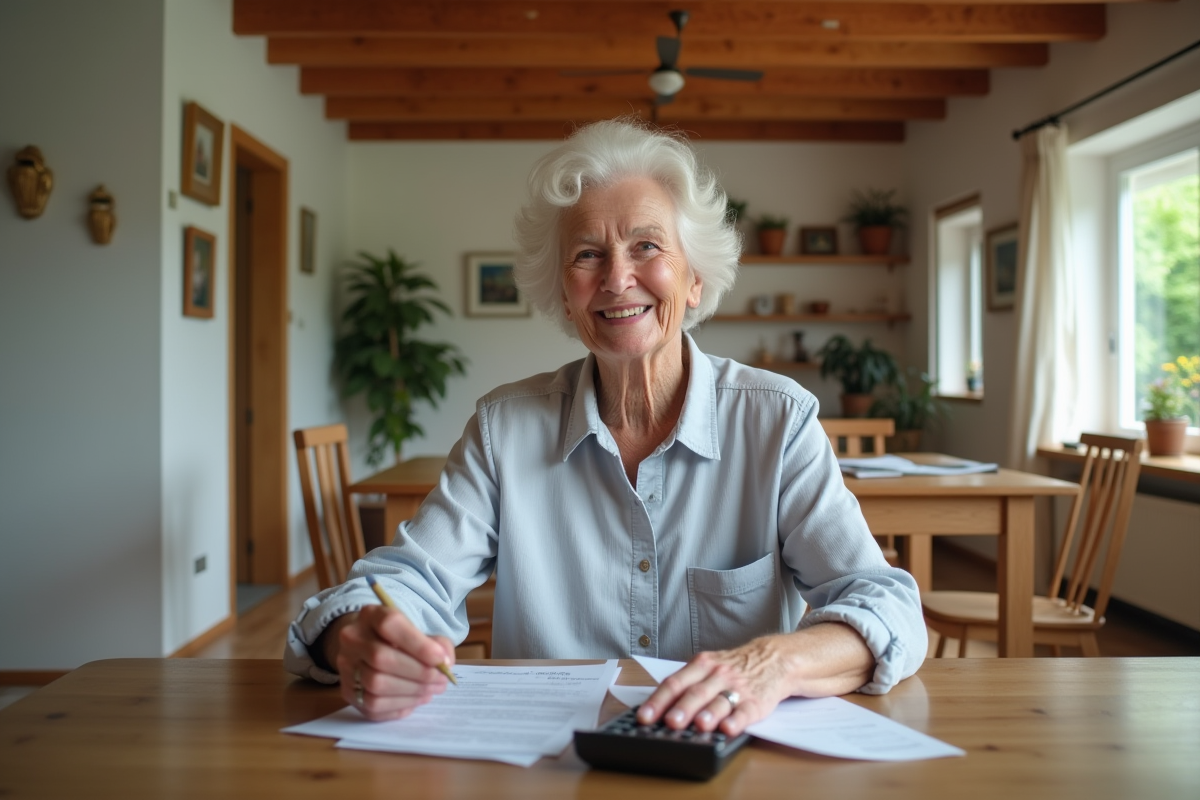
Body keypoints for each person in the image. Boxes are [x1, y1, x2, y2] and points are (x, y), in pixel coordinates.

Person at [285, 118, 926, 737]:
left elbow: (883, 602)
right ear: (564, 296)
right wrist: (360, 636)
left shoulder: (778, 420)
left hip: (731, 762)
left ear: (695, 278)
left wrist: (770, 665)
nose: (617, 278)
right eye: (588, 255)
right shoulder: (503, 429)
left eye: (647, 246)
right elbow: (409, 582)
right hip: (544, 763)